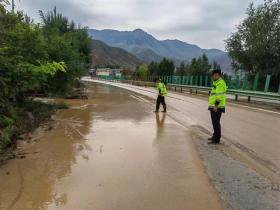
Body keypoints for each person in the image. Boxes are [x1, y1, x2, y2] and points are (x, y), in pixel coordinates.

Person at [208, 68, 227, 144]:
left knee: (216, 123)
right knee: (214, 122)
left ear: (217, 75)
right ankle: (214, 136)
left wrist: (216, 106)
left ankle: (216, 140)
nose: (212, 77)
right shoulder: (216, 83)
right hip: (214, 106)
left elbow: (219, 96)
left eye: (213, 75)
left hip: (217, 107)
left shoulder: (220, 83)